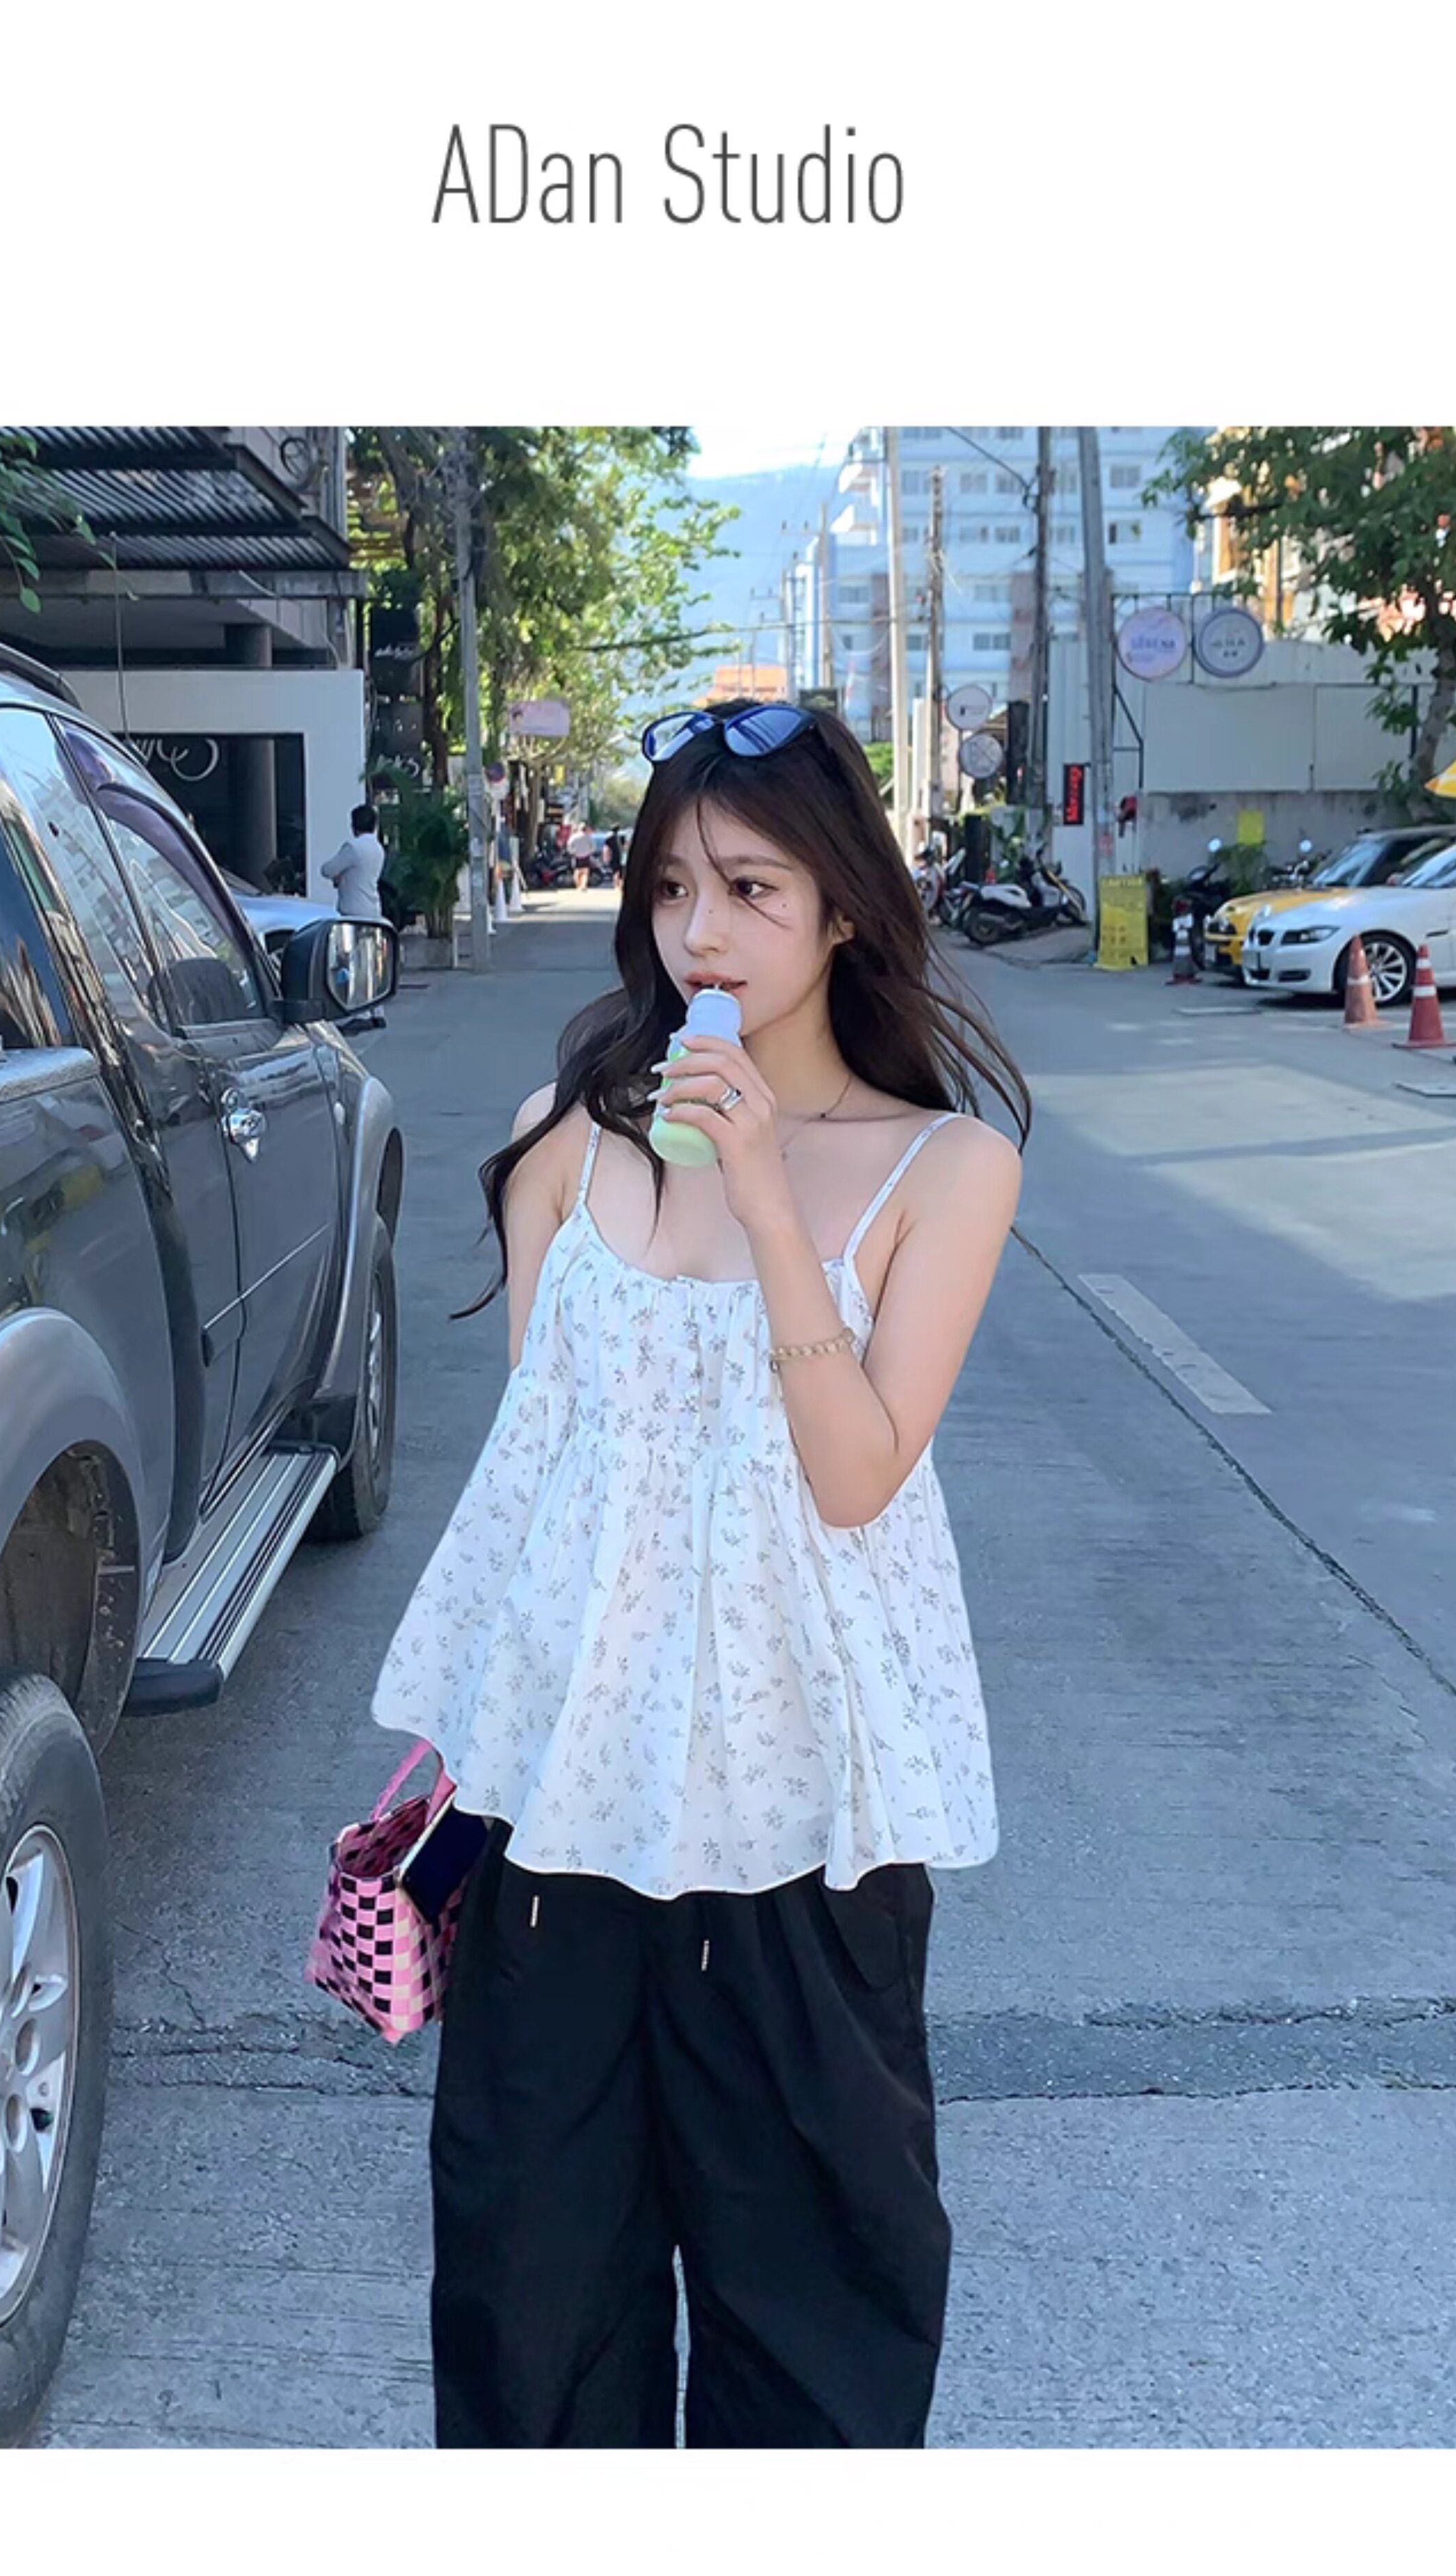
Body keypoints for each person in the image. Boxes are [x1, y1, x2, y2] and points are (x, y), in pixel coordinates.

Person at [372, 698, 1030, 2449]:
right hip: (558, 1824)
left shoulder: (946, 1167)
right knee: (529, 2321)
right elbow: (554, 1491)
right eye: (670, 887)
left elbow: (855, 1475)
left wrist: (763, 1195)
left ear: (843, 908)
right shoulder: (563, 1137)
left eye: (749, 887)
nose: (700, 934)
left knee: (815, 2333)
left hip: (804, 1830)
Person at [322, 801, 389, 1027]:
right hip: (372, 908)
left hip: (353, 910)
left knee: (354, 962)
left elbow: (328, 869)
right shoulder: (377, 849)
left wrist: (340, 877)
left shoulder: (353, 848)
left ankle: (359, 1014)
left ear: (354, 825)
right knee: (372, 962)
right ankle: (377, 1011)